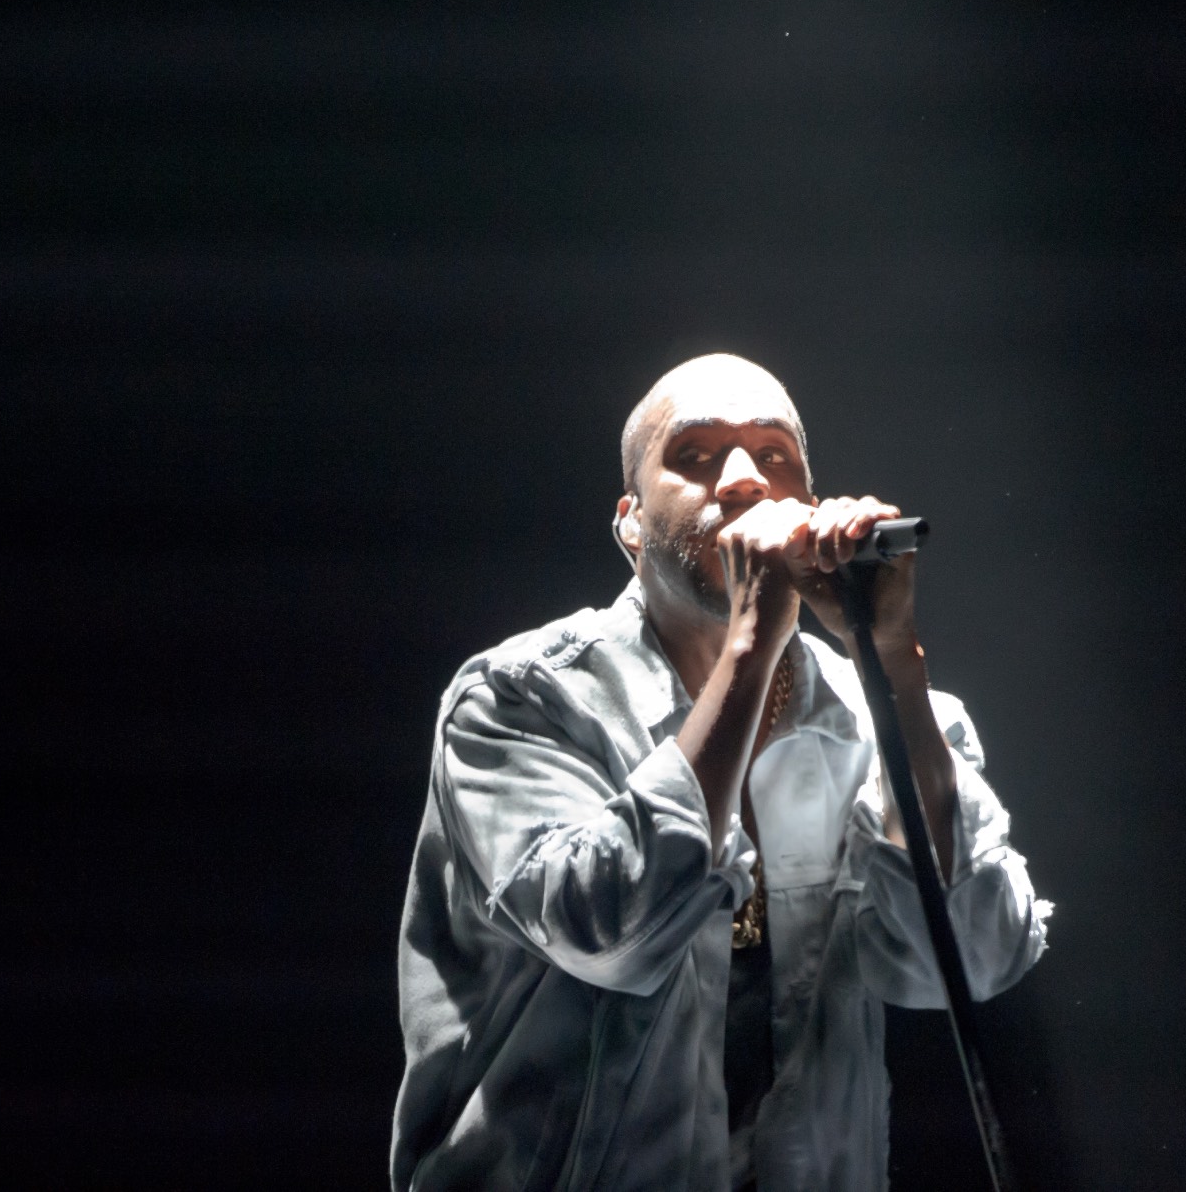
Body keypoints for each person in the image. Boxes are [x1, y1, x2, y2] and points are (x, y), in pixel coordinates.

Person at [391, 354, 1051, 1191]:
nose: (744, 481)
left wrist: (893, 662)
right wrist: (751, 642)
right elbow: (610, 933)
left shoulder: (879, 710)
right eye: (696, 455)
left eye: (775, 456)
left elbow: (975, 957)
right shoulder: (519, 701)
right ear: (630, 523)